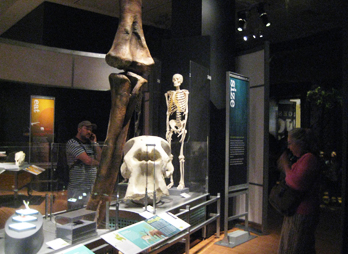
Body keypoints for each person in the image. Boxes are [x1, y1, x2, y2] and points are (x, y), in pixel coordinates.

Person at [277, 128, 321, 254]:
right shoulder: (305, 158)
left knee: (294, 248)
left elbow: (295, 183)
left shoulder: (309, 159)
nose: (289, 147)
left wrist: (285, 166)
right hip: (299, 211)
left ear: (300, 143)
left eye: (290, 143)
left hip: (302, 211)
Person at [66, 120, 102, 210]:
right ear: (79, 129)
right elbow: (87, 161)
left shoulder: (91, 144)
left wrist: (95, 143)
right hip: (78, 187)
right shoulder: (72, 143)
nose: (89, 132)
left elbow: (101, 158)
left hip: (91, 186)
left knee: (89, 214)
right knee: (75, 213)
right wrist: (100, 164)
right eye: (86, 129)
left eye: (90, 130)